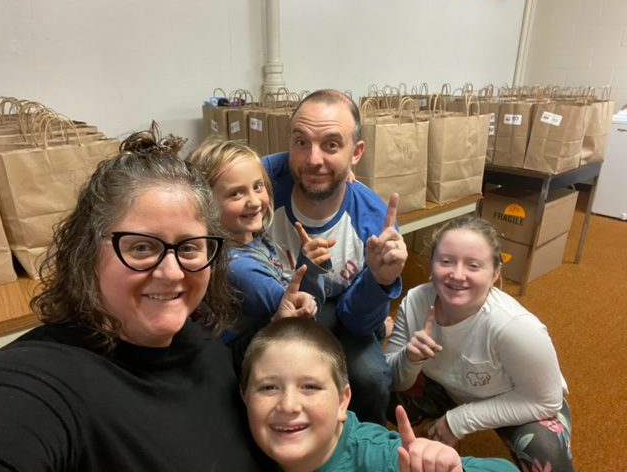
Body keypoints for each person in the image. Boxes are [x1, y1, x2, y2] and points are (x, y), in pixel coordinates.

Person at [0, 123, 317, 471]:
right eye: (142, 247)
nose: (172, 272)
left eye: (189, 247)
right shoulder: (40, 379)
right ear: (86, 252)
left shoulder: (197, 337)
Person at [262, 89, 408, 425]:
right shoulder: (263, 192)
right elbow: (223, 172)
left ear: (356, 153)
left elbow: (357, 320)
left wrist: (379, 281)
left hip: (344, 311)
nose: (313, 160)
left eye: (331, 145)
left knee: (371, 377)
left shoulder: (374, 221)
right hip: (274, 305)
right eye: (301, 143)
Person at [385, 216, 574, 471]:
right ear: (431, 265)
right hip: (448, 385)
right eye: (446, 261)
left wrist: (460, 420)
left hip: (516, 395)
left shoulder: (515, 327)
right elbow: (390, 377)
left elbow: (546, 400)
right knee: (376, 391)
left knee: (546, 454)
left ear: (495, 274)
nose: (457, 274)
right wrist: (410, 358)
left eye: (473, 266)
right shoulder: (416, 302)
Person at [240, 317, 520, 472]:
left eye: (309, 387)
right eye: (268, 387)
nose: (288, 405)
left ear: (342, 401)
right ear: (245, 397)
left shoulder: (381, 458)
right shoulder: (257, 447)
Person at [188, 138, 330, 357]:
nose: (254, 201)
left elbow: (281, 161)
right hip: (252, 357)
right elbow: (302, 317)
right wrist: (310, 269)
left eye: (257, 186)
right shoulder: (240, 269)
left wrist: (338, 168)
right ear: (205, 205)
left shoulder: (244, 237)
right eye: (236, 193)